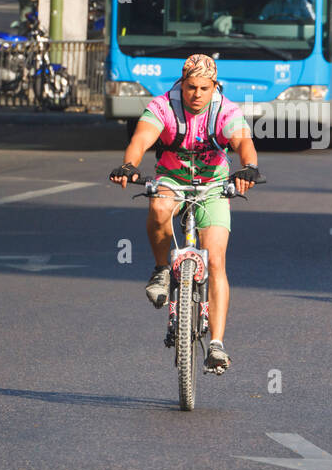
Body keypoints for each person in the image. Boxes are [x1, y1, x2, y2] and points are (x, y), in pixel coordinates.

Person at [109, 54, 261, 373]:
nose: (196, 95)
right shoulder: (164, 106)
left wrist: (248, 168)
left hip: (213, 185)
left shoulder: (225, 110)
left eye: (204, 88)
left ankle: (216, 345)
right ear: (182, 83)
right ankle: (162, 269)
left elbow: (243, 142)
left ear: (214, 86)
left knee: (216, 260)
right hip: (172, 179)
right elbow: (141, 139)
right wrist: (129, 165)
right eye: (191, 87)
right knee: (159, 205)